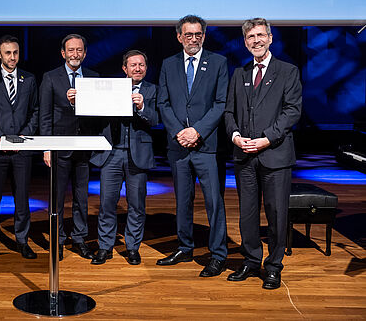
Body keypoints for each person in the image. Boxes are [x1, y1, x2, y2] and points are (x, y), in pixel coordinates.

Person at [224, 18, 302, 290]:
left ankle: (273, 266)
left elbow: (292, 111)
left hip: (275, 155)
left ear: (270, 38)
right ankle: (250, 260)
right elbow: (229, 112)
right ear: (245, 43)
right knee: (247, 214)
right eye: (250, 37)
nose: (256, 41)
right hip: (244, 155)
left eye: (260, 35)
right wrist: (235, 136)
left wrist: (266, 139)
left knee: (276, 213)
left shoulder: (287, 71)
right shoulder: (239, 73)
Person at [157, 15, 229, 277]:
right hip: (178, 146)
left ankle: (218, 254)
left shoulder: (219, 62)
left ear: (204, 36)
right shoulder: (168, 64)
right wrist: (180, 132)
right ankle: (185, 247)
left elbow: (221, 103)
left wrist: (197, 131)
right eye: (188, 34)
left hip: (207, 146)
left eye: (198, 34)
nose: (194, 39)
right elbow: (163, 103)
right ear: (179, 37)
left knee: (214, 202)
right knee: (183, 201)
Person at [90, 50, 158, 265]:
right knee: (107, 203)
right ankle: (105, 247)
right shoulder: (111, 88)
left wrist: (142, 106)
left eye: (141, 65)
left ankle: (132, 247)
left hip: (137, 155)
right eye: (133, 65)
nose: (137, 68)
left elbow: (156, 119)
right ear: (124, 69)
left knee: (137, 204)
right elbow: (95, 112)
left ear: (146, 68)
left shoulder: (152, 90)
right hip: (111, 154)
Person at [39, 33, 99, 260]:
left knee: (82, 198)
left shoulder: (93, 77)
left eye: (79, 50)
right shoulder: (51, 77)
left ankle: (80, 238)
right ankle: (58, 240)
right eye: (71, 50)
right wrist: (46, 147)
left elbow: (97, 114)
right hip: (58, 148)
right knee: (57, 198)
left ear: (85, 53)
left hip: (83, 148)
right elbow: (45, 116)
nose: (75, 54)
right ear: (63, 53)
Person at [0, 35, 39, 261]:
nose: (12, 57)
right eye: (8, 53)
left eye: (15, 53)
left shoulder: (30, 79)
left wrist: (25, 136)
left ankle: (22, 241)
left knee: (22, 197)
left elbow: (35, 110)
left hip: (22, 150)